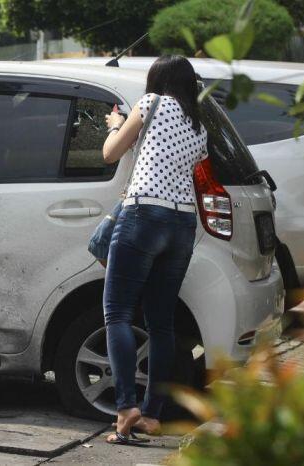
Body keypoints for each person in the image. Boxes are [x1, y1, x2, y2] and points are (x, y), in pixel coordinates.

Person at [101, 55, 208, 446]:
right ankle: (151, 415)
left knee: (117, 313)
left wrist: (114, 126)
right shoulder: (200, 129)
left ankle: (126, 406)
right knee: (161, 322)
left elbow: (110, 153)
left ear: (157, 80)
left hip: (144, 214)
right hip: (181, 224)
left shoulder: (150, 104)